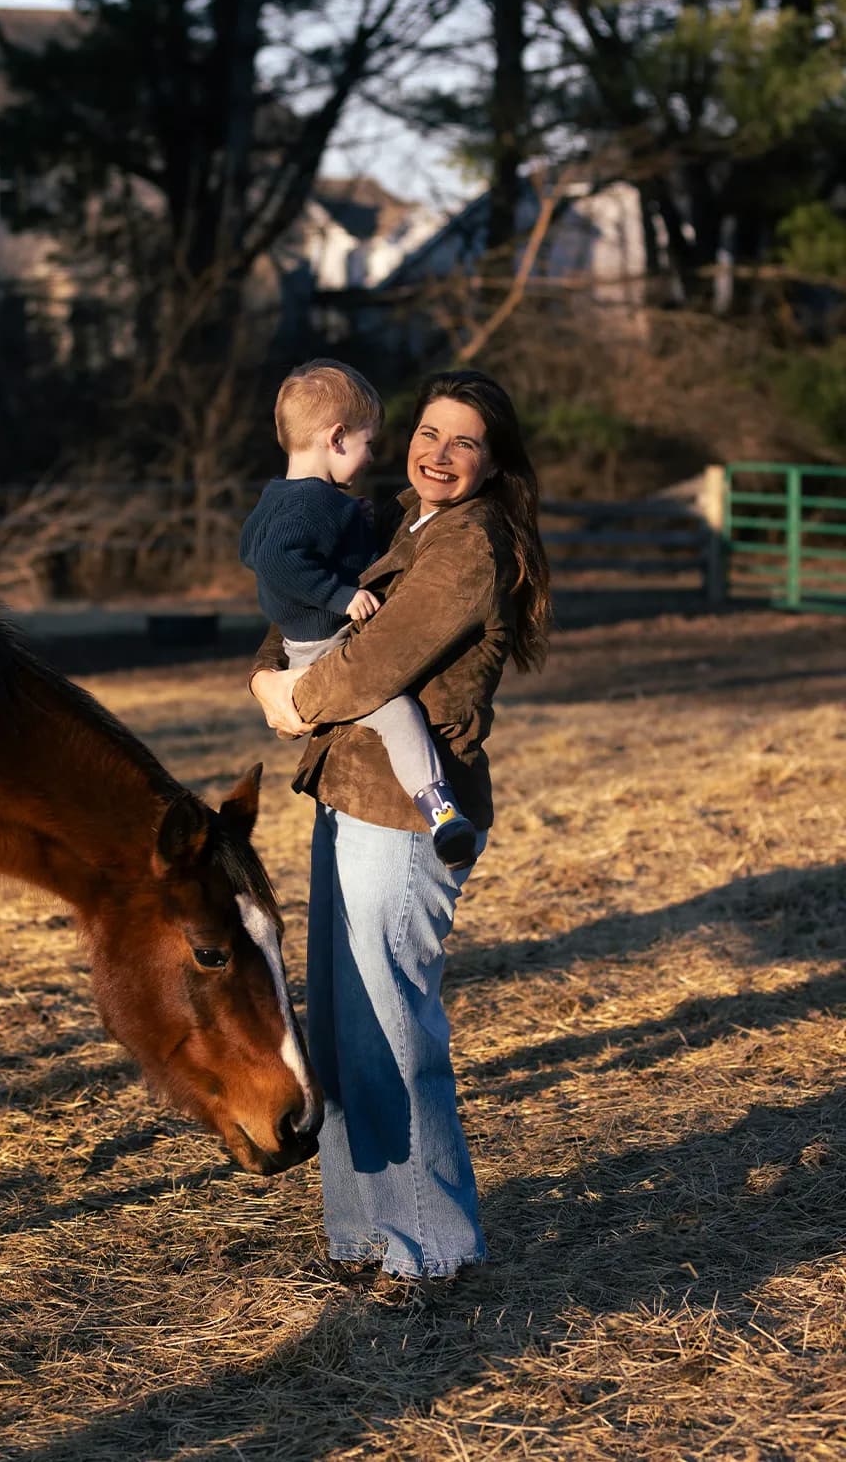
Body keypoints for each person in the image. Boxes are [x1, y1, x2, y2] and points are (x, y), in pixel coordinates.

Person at [249, 368, 550, 1289]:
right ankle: (360, 1235)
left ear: (493, 461)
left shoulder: (470, 545)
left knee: (390, 1023)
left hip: (409, 811)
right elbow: (301, 603)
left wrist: (291, 701)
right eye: (428, 432)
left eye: (463, 441)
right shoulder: (394, 520)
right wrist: (270, 676)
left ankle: (431, 1249)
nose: (437, 453)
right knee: (341, 1034)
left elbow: (373, 659)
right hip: (347, 790)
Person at [240, 358, 477, 866]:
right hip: (325, 647)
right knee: (398, 712)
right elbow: (272, 559)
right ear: (338, 438)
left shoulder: (282, 496)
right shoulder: (313, 503)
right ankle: (438, 807)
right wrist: (337, 595)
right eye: (369, 444)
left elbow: (250, 548)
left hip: (306, 645)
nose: (372, 457)